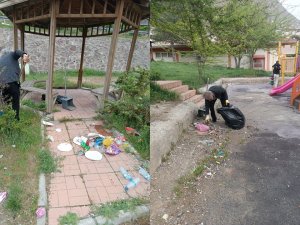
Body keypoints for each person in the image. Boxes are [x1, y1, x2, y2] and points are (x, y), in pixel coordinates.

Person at [0, 49, 30, 120]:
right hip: (13, 84)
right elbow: (17, 52)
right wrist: (24, 55)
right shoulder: (11, 55)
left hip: (3, 85)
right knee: (15, 104)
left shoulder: (1, 59)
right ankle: (15, 121)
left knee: (6, 104)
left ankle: (7, 120)